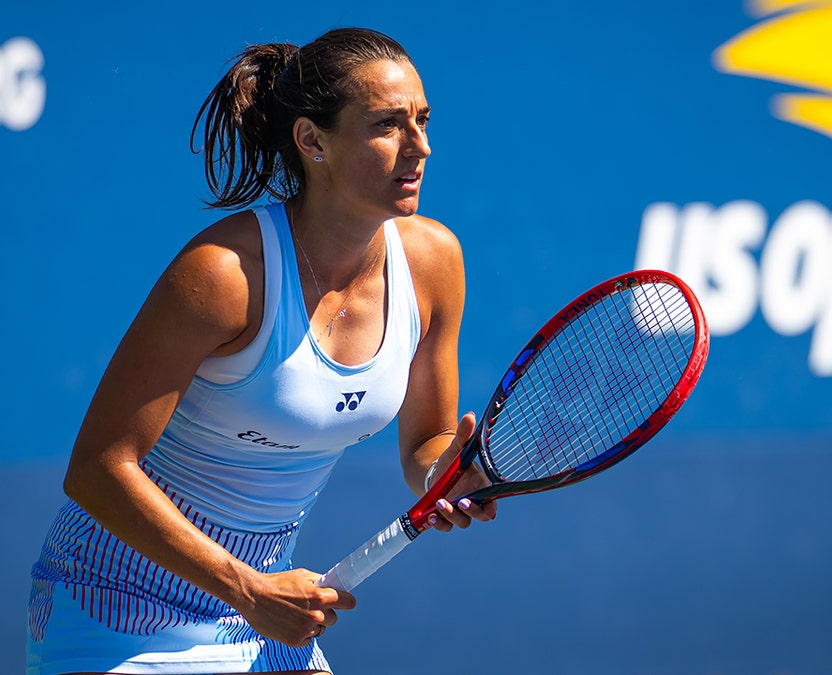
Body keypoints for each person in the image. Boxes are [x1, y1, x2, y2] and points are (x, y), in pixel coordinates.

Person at [27, 27, 495, 675]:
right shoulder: (221, 274)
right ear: (312, 141)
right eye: (388, 125)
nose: (420, 147)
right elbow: (98, 467)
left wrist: (448, 471)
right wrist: (245, 587)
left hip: (265, 611)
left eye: (422, 120)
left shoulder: (434, 263)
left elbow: (427, 443)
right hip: (116, 608)